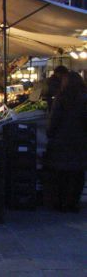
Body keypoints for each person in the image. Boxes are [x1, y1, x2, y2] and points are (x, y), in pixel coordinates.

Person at [45, 71, 87, 213]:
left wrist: (50, 133)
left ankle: (59, 202)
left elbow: (53, 120)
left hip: (61, 141)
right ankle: (72, 203)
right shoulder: (84, 99)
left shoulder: (61, 98)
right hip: (80, 142)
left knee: (60, 174)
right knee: (77, 174)